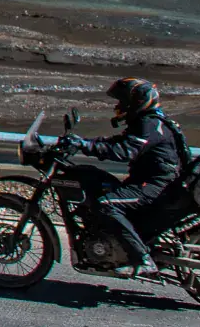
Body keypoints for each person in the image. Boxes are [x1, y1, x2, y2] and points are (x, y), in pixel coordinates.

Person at [59, 77, 188, 270]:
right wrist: (83, 142)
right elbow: (118, 142)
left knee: (106, 204)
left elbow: (125, 151)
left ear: (135, 101)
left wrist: (85, 146)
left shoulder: (149, 123)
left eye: (122, 101)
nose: (118, 106)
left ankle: (142, 260)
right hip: (155, 181)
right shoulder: (150, 121)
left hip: (154, 185)